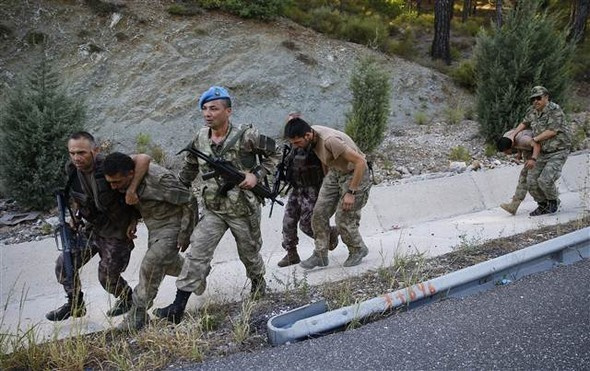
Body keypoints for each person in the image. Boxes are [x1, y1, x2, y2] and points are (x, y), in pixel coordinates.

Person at [153, 86, 279, 324]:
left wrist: (257, 175)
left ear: (228, 111)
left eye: (214, 108)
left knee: (249, 252)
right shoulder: (200, 138)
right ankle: (178, 307)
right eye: (204, 109)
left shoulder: (247, 135)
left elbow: (277, 153)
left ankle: (258, 283)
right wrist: (177, 193)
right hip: (214, 208)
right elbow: (189, 168)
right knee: (197, 252)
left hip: (243, 208)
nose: (208, 113)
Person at [46, 132, 146, 321]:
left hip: (116, 228)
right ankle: (74, 304)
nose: (77, 158)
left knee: (107, 276)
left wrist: (134, 220)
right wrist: (74, 217)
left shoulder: (109, 166)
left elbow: (137, 188)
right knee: (64, 265)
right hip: (91, 227)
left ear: (95, 151)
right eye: (72, 153)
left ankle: (127, 299)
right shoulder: (72, 169)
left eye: (82, 153)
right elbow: (77, 196)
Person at [103, 152, 197, 331]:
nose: (114, 187)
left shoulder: (159, 180)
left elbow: (189, 200)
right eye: (110, 183)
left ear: (131, 174)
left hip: (173, 225)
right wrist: (133, 220)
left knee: (150, 265)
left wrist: (186, 232)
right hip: (155, 227)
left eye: (117, 182)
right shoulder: (128, 181)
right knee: (165, 264)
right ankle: (196, 273)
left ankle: (137, 315)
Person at [284, 117, 372, 269]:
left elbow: (360, 162)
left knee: (343, 217)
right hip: (335, 173)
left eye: (297, 142)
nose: (296, 146)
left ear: (307, 135)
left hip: (355, 173)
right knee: (317, 214)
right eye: (293, 143)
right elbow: (325, 158)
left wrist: (351, 192)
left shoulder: (330, 141)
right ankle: (320, 255)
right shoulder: (312, 136)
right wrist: (327, 182)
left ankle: (358, 249)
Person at [278, 112, 339, 267]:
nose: (295, 144)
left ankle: (329, 236)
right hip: (297, 188)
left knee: (307, 223)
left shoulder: (316, 144)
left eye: (298, 141)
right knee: (288, 221)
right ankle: (291, 253)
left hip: (314, 188)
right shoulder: (294, 145)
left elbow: (328, 166)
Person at [509, 86, 571, 216]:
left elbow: (552, 131)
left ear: (546, 97)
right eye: (533, 99)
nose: (535, 101)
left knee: (545, 180)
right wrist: (513, 135)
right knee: (531, 181)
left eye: (538, 98)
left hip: (558, 151)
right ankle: (542, 205)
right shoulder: (532, 111)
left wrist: (535, 139)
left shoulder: (555, 110)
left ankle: (553, 201)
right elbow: (524, 123)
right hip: (542, 152)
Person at [496, 128, 540, 215]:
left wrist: (533, 159)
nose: (506, 153)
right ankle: (514, 206)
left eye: (506, 151)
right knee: (523, 177)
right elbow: (517, 144)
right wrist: (519, 154)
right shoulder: (507, 137)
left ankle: (551, 201)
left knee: (534, 180)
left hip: (539, 150)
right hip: (529, 149)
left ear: (511, 145)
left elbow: (536, 144)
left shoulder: (524, 140)